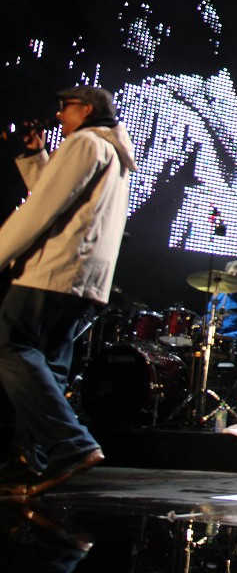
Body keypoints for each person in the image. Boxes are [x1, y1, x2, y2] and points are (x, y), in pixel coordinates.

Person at [0, 86, 137, 497]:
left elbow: (43, 208)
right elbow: (59, 193)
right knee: (47, 365)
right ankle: (31, 460)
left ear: (87, 109)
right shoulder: (111, 153)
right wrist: (33, 156)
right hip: (86, 283)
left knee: (8, 345)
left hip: (53, 272)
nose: (59, 116)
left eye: (65, 107)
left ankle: (71, 445)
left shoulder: (84, 143)